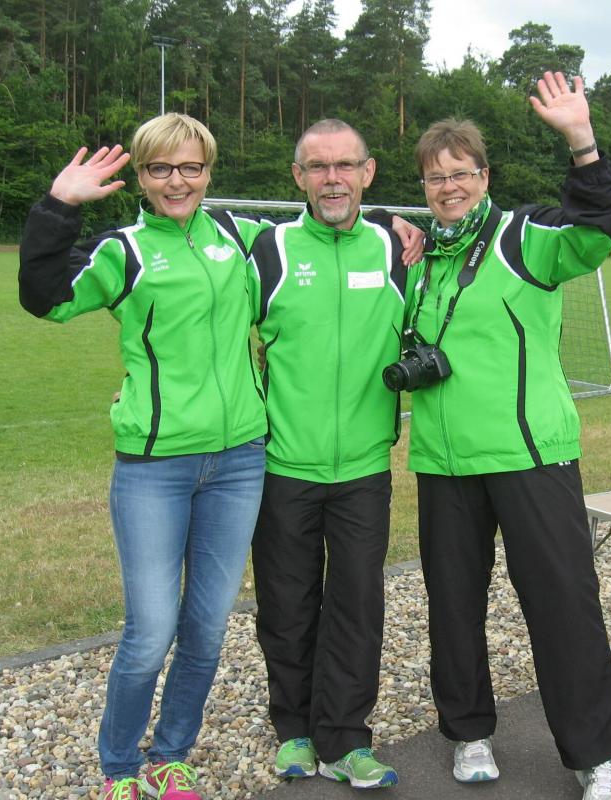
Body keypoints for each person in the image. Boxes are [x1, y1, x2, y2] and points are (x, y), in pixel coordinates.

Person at [19, 114, 277, 800]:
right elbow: (44, 298)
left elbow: (319, 238)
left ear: (209, 172)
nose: (177, 181)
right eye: (161, 168)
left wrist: (398, 230)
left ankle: (170, 758)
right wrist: (59, 205)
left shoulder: (241, 236)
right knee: (151, 630)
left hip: (240, 462)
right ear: (140, 176)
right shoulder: (123, 251)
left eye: (191, 167)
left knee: (207, 627)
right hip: (154, 468)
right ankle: (119, 769)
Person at [403, 72, 611, 799]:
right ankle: (468, 733)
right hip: (445, 462)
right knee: (453, 609)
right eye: (435, 177)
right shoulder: (417, 260)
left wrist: (581, 141)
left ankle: (595, 757)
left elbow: (594, 230)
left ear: (484, 176)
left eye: (460, 173)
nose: (448, 187)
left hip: (532, 456)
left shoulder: (524, 238)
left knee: (564, 608)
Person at [247, 119, 419, 789]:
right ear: (299, 177)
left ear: (367, 172)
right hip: (284, 465)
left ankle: (346, 739)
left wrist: (400, 224)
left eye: (345, 165)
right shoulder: (269, 250)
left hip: (365, 469)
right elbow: (218, 329)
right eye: (318, 167)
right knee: (287, 606)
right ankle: (293, 731)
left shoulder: (397, 248)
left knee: (356, 607)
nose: (332, 179)